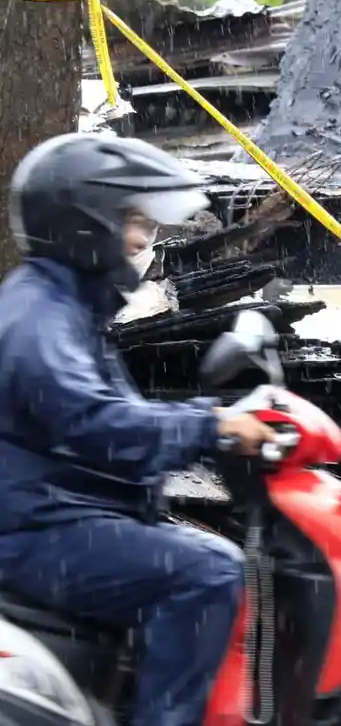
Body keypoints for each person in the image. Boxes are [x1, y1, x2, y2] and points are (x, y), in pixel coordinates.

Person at [0, 133, 278, 726]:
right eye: (132, 221)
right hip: (36, 533)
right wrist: (212, 424)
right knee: (208, 574)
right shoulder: (38, 318)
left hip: (57, 517)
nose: (143, 241)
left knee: (207, 553)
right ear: (84, 222)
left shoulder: (64, 307)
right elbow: (96, 423)